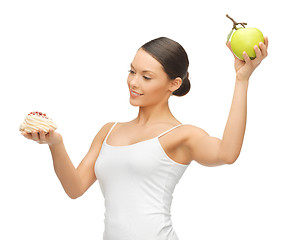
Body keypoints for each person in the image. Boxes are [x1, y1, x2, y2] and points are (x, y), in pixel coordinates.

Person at [20, 36, 268, 240]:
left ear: (174, 84)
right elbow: (74, 188)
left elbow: (228, 153)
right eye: (132, 71)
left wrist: (241, 79)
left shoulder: (182, 135)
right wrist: (55, 143)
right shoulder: (109, 131)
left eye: (146, 77)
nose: (133, 82)